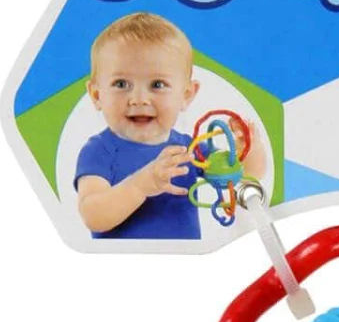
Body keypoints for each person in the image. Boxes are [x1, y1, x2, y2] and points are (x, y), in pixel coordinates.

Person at [74, 13, 262, 240]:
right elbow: (93, 216)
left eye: (157, 84)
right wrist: (140, 186)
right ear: (97, 95)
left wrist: (249, 147)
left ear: (186, 95)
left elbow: (245, 178)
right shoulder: (99, 150)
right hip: (124, 262)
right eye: (121, 84)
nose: (139, 99)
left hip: (184, 261)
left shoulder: (188, 149)